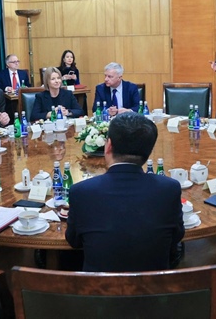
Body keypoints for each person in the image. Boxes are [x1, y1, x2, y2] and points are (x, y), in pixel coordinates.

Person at [66, 113, 184, 272]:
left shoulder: (81, 192)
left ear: (108, 146)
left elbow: (74, 241)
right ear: (149, 151)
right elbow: (176, 237)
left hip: (98, 292)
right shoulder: (169, 189)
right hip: (155, 291)